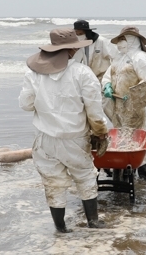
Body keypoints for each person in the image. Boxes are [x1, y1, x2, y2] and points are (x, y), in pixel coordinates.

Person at [19, 28, 111, 234]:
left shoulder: (33, 73)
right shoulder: (82, 73)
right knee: (86, 175)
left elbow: (25, 104)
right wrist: (100, 133)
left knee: (53, 182)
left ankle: (60, 228)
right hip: (75, 138)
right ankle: (93, 222)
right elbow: (94, 110)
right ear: (72, 50)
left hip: (45, 139)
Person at [101, 26, 146, 180]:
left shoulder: (141, 58)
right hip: (117, 105)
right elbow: (108, 75)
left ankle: (142, 176)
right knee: (120, 137)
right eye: (119, 39)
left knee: (135, 138)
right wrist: (107, 85)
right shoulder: (118, 59)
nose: (119, 43)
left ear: (132, 40)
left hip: (133, 107)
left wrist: (132, 96)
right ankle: (122, 173)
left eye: (123, 39)